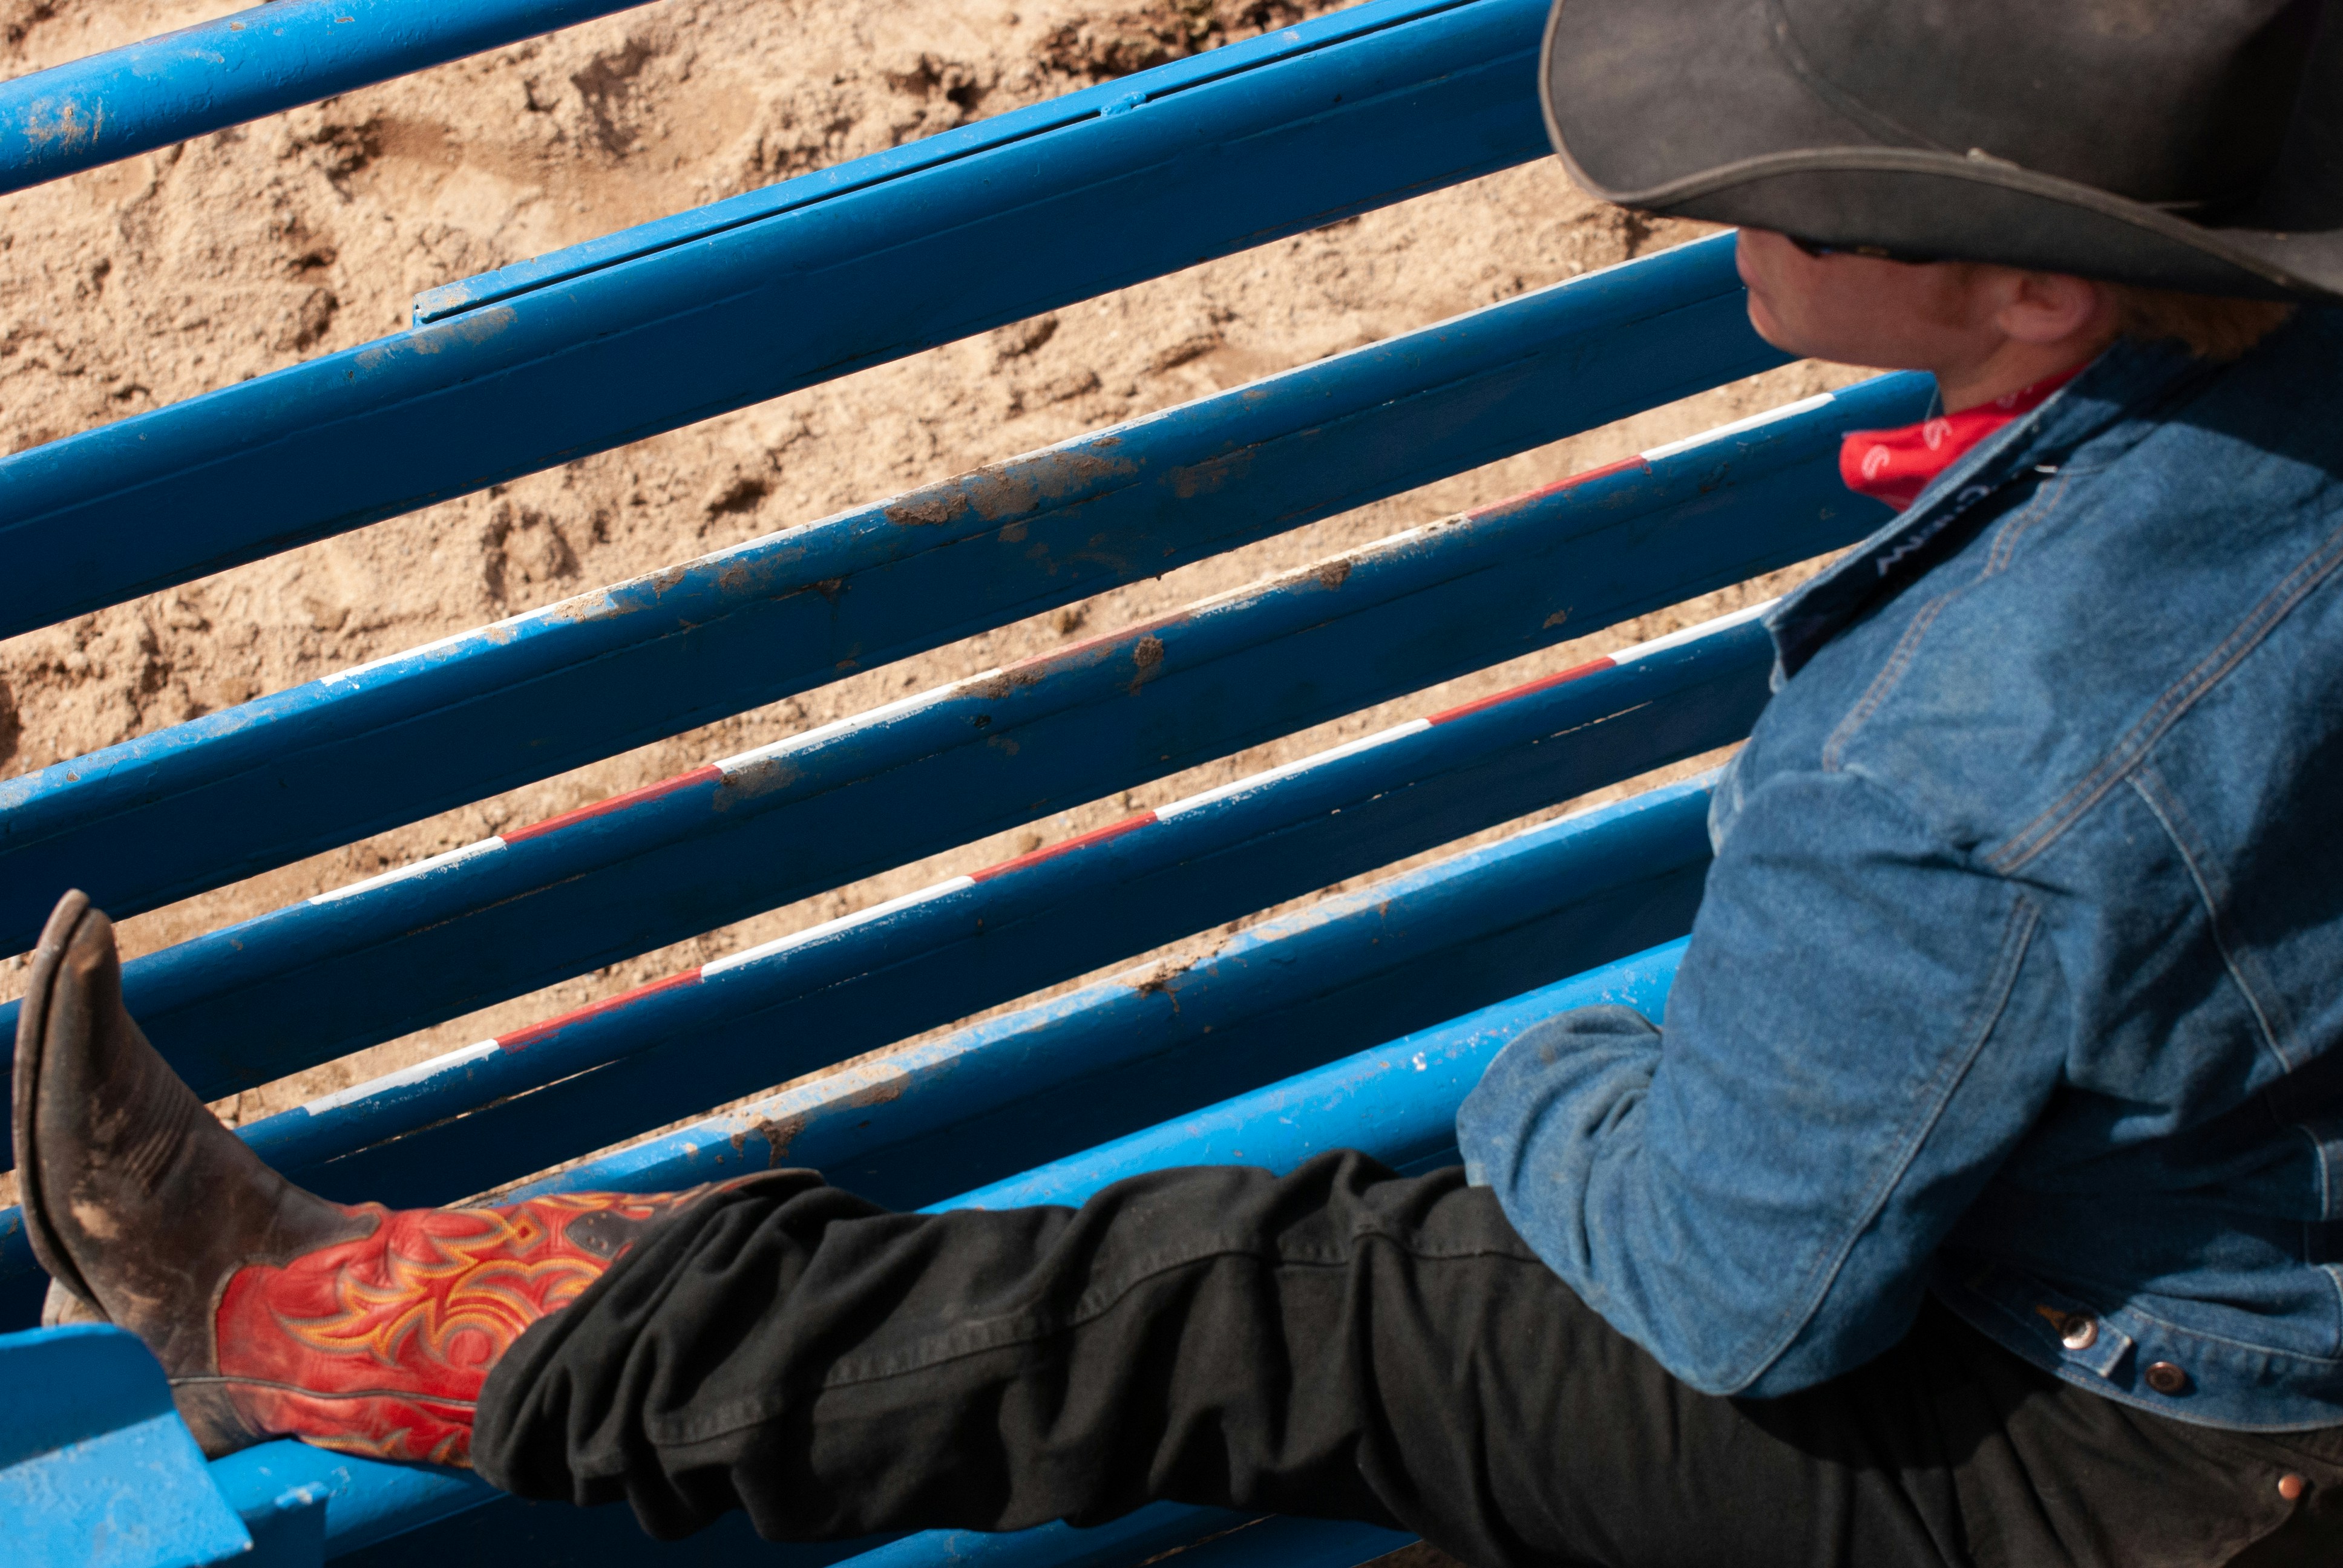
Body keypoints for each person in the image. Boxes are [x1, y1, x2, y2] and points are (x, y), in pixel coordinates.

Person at [13, 2, 2343, 1563]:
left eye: (1791, 193)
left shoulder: (1955, 751)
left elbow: (1737, 1296)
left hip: (2144, 1451)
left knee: (1247, 1303)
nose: (1726, 219)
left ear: (2040, 294)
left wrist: (1549, 1082)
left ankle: (309, 1323)